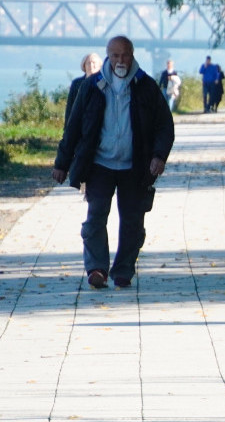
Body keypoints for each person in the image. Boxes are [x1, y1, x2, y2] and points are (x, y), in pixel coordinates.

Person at [52, 35, 174, 290]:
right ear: (108, 56)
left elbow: (165, 125)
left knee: (132, 222)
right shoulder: (92, 86)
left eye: (125, 55)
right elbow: (73, 127)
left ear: (132, 56)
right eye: (115, 55)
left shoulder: (146, 86)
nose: (120, 60)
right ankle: (96, 268)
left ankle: (123, 271)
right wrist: (62, 163)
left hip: (135, 166)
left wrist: (159, 156)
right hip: (99, 165)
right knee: (96, 217)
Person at [64, 52, 102, 123]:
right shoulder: (76, 83)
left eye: (94, 63)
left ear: (99, 65)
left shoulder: (103, 83)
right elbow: (70, 106)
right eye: (88, 63)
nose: (91, 65)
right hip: (78, 121)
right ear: (84, 66)